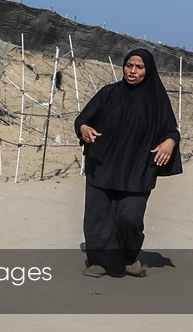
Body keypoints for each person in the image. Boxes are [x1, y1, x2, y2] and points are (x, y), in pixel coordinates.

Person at [75, 48, 181, 278]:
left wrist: (169, 144)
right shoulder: (108, 93)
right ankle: (99, 262)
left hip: (138, 170)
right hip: (102, 165)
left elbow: (171, 131)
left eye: (139, 67)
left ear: (148, 70)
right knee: (98, 219)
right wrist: (84, 129)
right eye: (129, 65)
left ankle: (130, 257)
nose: (132, 71)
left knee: (130, 218)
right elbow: (82, 120)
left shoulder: (157, 101)